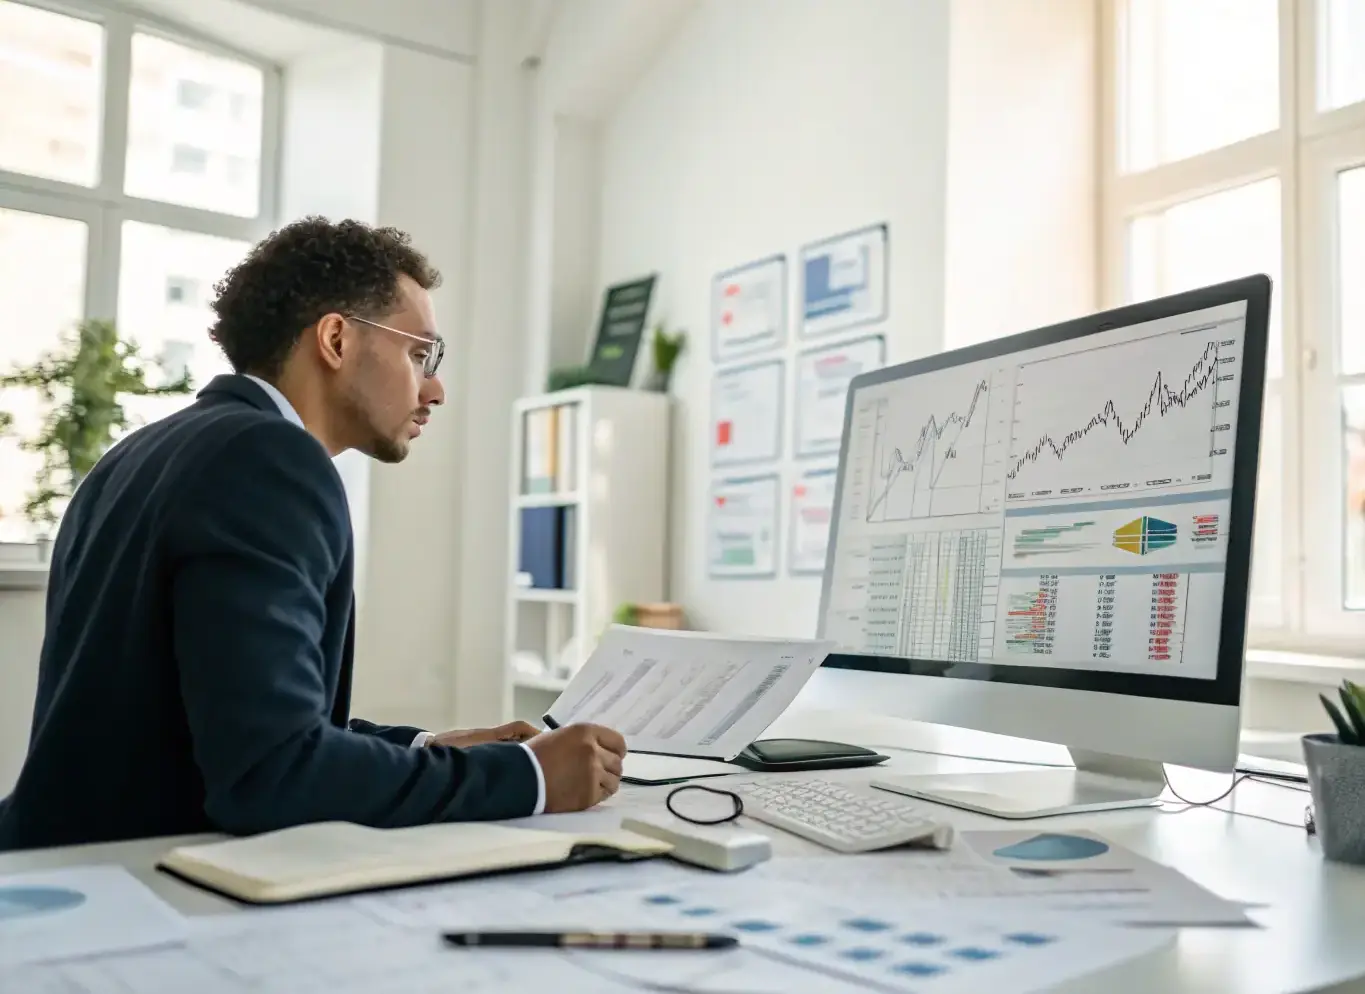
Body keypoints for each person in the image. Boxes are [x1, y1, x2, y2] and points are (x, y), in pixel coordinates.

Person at [0, 217, 626, 853]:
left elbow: (226, 722)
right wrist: (529, 777)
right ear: (335, 339)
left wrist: (425, 748)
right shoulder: (272, 460)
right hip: (140, 899)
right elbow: (274, 774)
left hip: (62, 871)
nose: (434, 389)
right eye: (419, 354)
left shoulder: (138, 453)